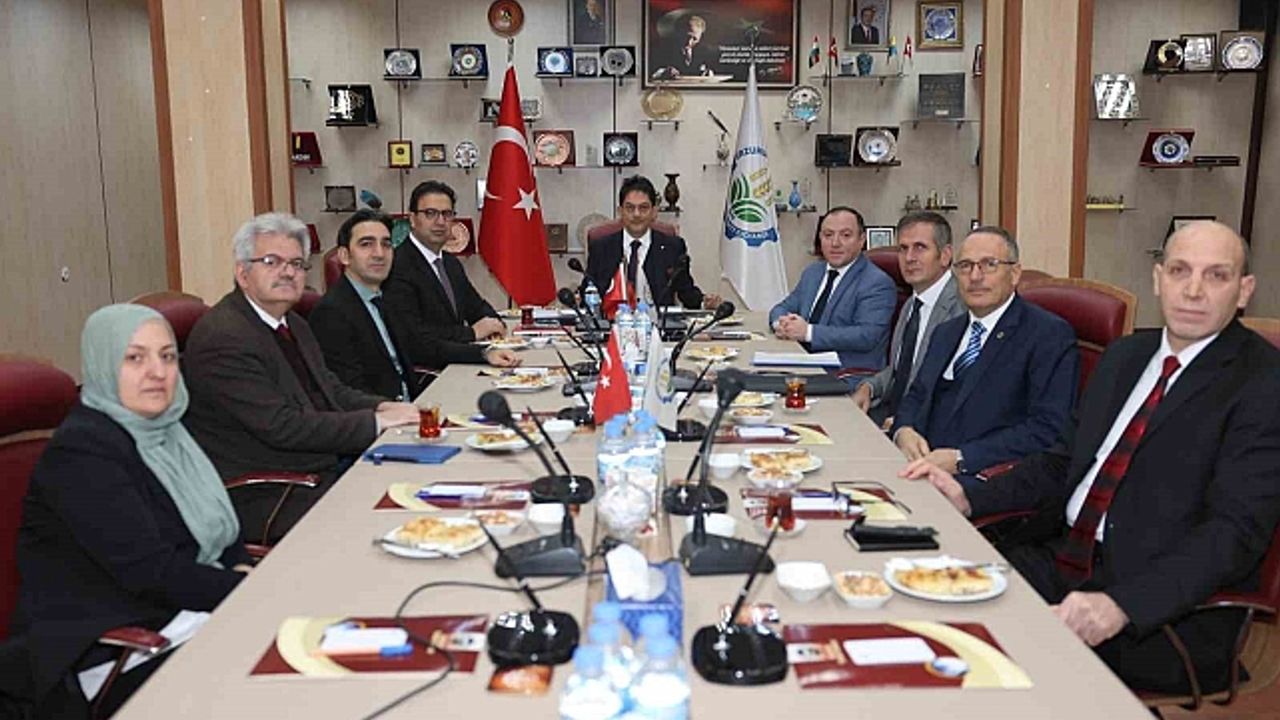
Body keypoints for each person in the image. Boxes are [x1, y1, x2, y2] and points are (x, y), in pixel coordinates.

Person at [903, 220, 1280, 696]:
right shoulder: (1125, 358)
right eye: (1180, 271)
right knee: (921, 614)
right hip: (1061, 559)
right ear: (1158, 278)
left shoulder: (1262, 383)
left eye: (1217, 275)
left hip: (1158, 611)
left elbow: (1234, 533)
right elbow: (1061, 461)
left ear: (1244, 290)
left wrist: (1121, 605)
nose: (1193, 290)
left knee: (976, 674)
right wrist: (970, 496)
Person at [0, 305, 249, 718]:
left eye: (167, 356)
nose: (157, 372)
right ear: (103, 364)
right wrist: (252, 591)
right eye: (135, 358)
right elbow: (152, 573)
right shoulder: (81, 453)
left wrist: (242, 569)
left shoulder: (169, 431)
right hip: (113, 650)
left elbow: (220, 526)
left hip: (181, 614)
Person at [183, 213, 417, 542]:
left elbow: (331, 389)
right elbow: (283, 426)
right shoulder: (225, 337)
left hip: (314, 469)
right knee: (393, 527)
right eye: (271, 262)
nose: (288, 272)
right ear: (242, 273)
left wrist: (383, 407)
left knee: (418, 491)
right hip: (266, 491)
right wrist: (376, 424)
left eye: (296, 263)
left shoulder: (292, 323)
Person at [891, 226, 1078, 483]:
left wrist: (962, 458)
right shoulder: (946, 332)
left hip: (983, 477)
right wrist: (903, 430)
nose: (975, 276)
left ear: (1014, 274)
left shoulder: (1047, 334)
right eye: (965, 266)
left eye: (989, 265)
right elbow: (916, 395)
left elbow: (1046, 427)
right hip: (920, 463)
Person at [309, 210, 519, 400]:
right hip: (382, 419)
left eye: (386, 244)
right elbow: (347, 392)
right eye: (366, 244)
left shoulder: (383, 298)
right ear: (345, 256)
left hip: (415, 404)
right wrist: (400, 413)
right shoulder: (332, 312)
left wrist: (484, 354)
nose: (379, 253)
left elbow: (423, 347)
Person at [854, 212, 965, 427]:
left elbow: (954, 391)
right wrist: (869, 388)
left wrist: (906, 423)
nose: (909, 258)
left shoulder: (961, 307)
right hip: (889, 416)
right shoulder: (911, 304)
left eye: (920, 247)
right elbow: (900, 372)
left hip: (926, 428)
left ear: (945, 255)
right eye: (903, 249)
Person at [769, 206, 897, 371]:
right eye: (828, 235)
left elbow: (866, 336)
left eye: (846, 235)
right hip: (803, 362)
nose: (835, 243)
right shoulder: (813, 272)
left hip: (847, 372)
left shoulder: (877, 283)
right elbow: (782, 307)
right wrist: (781, 324)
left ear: (861, 240)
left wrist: (808, 332)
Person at [383, 180, 507, 345]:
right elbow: (413, 334)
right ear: (412, 219)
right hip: (426, 361)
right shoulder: (397, 265)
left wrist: (495, 324)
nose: (440, 222)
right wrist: (471, 333)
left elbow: (476, 307)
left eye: (447, 214)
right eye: (430, 213)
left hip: (457, 355)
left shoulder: (450, 263)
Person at [581, 175, 721, 309]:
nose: (636, 214)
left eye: (643, 208)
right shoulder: (601, 248)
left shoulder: (672, 248)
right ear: (620, 211)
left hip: (658, 323)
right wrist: (576, 299)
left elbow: (686, 292)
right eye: (630, 208)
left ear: (654, 212)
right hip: (613, 322)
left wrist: (704, 302)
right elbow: (588, 292)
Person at [651, 12, 717, 81]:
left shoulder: (706, 51)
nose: (689, 42)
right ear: (678, 32)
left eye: (695, 39)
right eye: (686, 37)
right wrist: (664, 71)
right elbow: (650, 72)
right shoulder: (661, 49)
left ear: (700, 37)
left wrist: (709, 73)